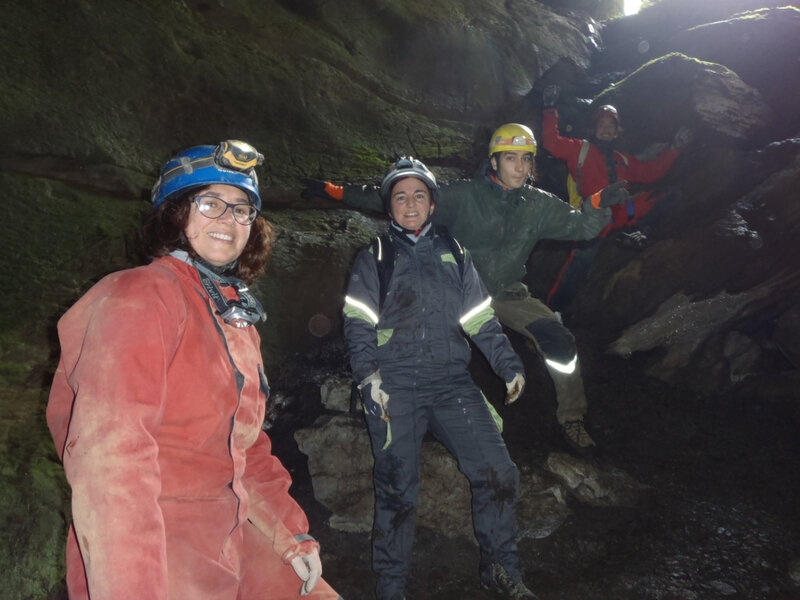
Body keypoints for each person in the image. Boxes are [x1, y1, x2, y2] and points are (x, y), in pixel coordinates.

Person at [46, 140, 343, 600]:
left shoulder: (233, 317)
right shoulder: (139, 296)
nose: (229, 219)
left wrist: (289, 534)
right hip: (155, 542)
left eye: (242, 209)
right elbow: (111, 464)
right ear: (175, 213)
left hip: (231, 531)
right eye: (210, 204)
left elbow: (246, 446)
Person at [304, 125, 628, 453]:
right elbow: (398, 196)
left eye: (526, 160)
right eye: (511, 158)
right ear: (494, 161)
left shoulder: (538, 204)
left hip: (505, 293)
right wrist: (333, 191)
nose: (520, 167)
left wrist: (598, 203)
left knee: (559, 341)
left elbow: (581, 227)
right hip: (457, 291)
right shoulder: (464, 195)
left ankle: (572, 417)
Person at [342, 157, 535, 600]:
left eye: (419, 195)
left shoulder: (455, 252)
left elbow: (480, 318)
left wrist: (508, 364)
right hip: (394, 386)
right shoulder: (376, 256)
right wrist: (368, 377)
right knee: (396, 488)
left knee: (499, 471)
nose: (410, 204)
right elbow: (357, 322)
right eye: (400, 196)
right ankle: (391, 587)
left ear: (432, 204)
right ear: (389, 207)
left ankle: (500, 569)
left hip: (451, 384)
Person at [541, 84, 692, 311]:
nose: (606, 128)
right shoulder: (580, 149)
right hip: (595, 215)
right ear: (593, 129)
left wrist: (674, 148)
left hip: (623, 212)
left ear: (617, 131)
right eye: (602, 124)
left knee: (666, 196)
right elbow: (552, 144)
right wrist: (550, 109)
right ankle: (552, 312)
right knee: (579, 263)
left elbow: (651, 172)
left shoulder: (623, 159)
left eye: (611, 125)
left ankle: (636, 234)